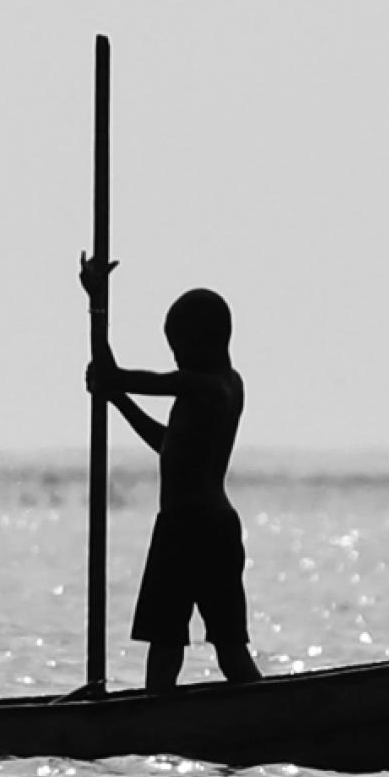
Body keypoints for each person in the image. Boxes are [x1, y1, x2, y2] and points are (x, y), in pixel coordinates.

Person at [82, 261, 261, 689]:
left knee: (229, 651)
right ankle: (154, 726)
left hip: (193, 528)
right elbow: (169, 445)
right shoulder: (219, 386)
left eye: (180, 347)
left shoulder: (212, 386)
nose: (176, 357)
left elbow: (126, 375)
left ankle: (268, 714)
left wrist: (97, 308)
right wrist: (118, 400)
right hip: (193, 525)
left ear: (207, 342)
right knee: (165, 646)